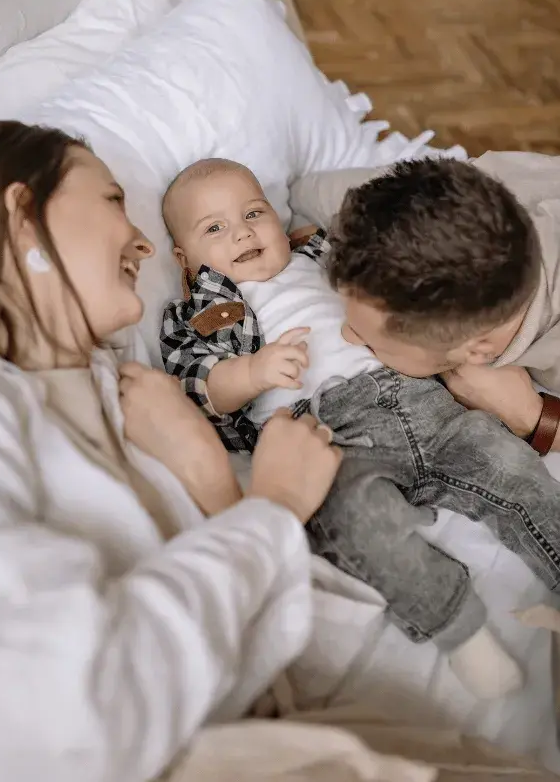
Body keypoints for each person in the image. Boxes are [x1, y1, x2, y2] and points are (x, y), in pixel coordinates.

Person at [0, 120, 347, 782]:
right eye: (113, 201)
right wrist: (272, 506)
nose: (141, 241)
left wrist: (212, 478)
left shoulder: (131, 391)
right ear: (23, 214)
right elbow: (76, 718)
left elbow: (268, 664)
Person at [159, 157, 560, 701]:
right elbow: (196, 382)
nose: (242, 231)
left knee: (508, 464)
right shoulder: (208, 308)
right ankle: (460, 630)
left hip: (421, 401)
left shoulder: (324, 253)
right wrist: (250, 373)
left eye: (254, 212)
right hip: (330, 433)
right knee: (354, 520)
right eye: (215, 228)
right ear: (184, 258)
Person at [289, 153, 560, 455]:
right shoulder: (426, 198)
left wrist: (534, 418)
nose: (348, 335)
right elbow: (303, 193)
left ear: (476, 351)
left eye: (379, 344)